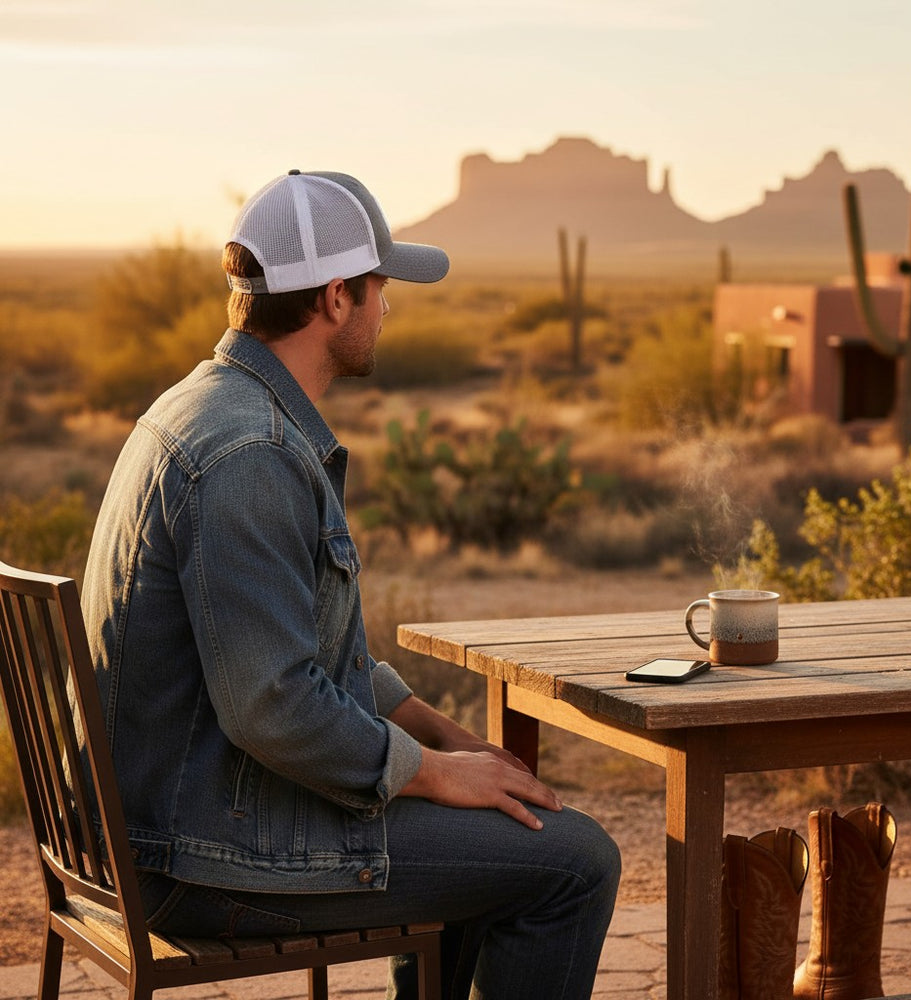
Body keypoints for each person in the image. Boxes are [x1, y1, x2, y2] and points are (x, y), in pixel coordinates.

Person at [81, 169, 621, 1000]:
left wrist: (442, 736)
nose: (387, 307)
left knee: (495, 826)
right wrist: (433, 775)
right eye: (380, 287)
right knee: (574, 861)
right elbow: (273, 706)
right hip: (199, 857)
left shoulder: (206, 409)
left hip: (183, 815)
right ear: (336, 299)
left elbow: (297, 649)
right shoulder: (249, 454)